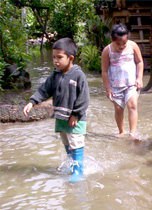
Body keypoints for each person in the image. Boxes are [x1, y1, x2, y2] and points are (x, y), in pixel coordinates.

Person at [23, 38, 90, 183]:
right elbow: (44, 90)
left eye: (59, 57)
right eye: (54, 57)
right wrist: (32, 102)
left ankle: (78, 171)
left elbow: (84, 98)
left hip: (75, 119)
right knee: (67, 144)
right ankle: (72, 166)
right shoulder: (55, 75)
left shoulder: (78, 75)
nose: (56, 61)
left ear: (70, 58)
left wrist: (76, 114)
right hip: (61, 117)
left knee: (76, 143)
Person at [101, 23, 144, 140]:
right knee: (119, 109)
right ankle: (121, 131)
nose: (121, 46)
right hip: (115, 85)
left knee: (133, 105)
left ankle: (133, 133)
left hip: (131, 83)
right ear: (112, 40)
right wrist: (107, 88)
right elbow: (104, 71)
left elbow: (139, 62)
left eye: (124, 43)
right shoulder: (107, 50)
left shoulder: (133, 46)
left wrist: (139, 78)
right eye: (118, 44)